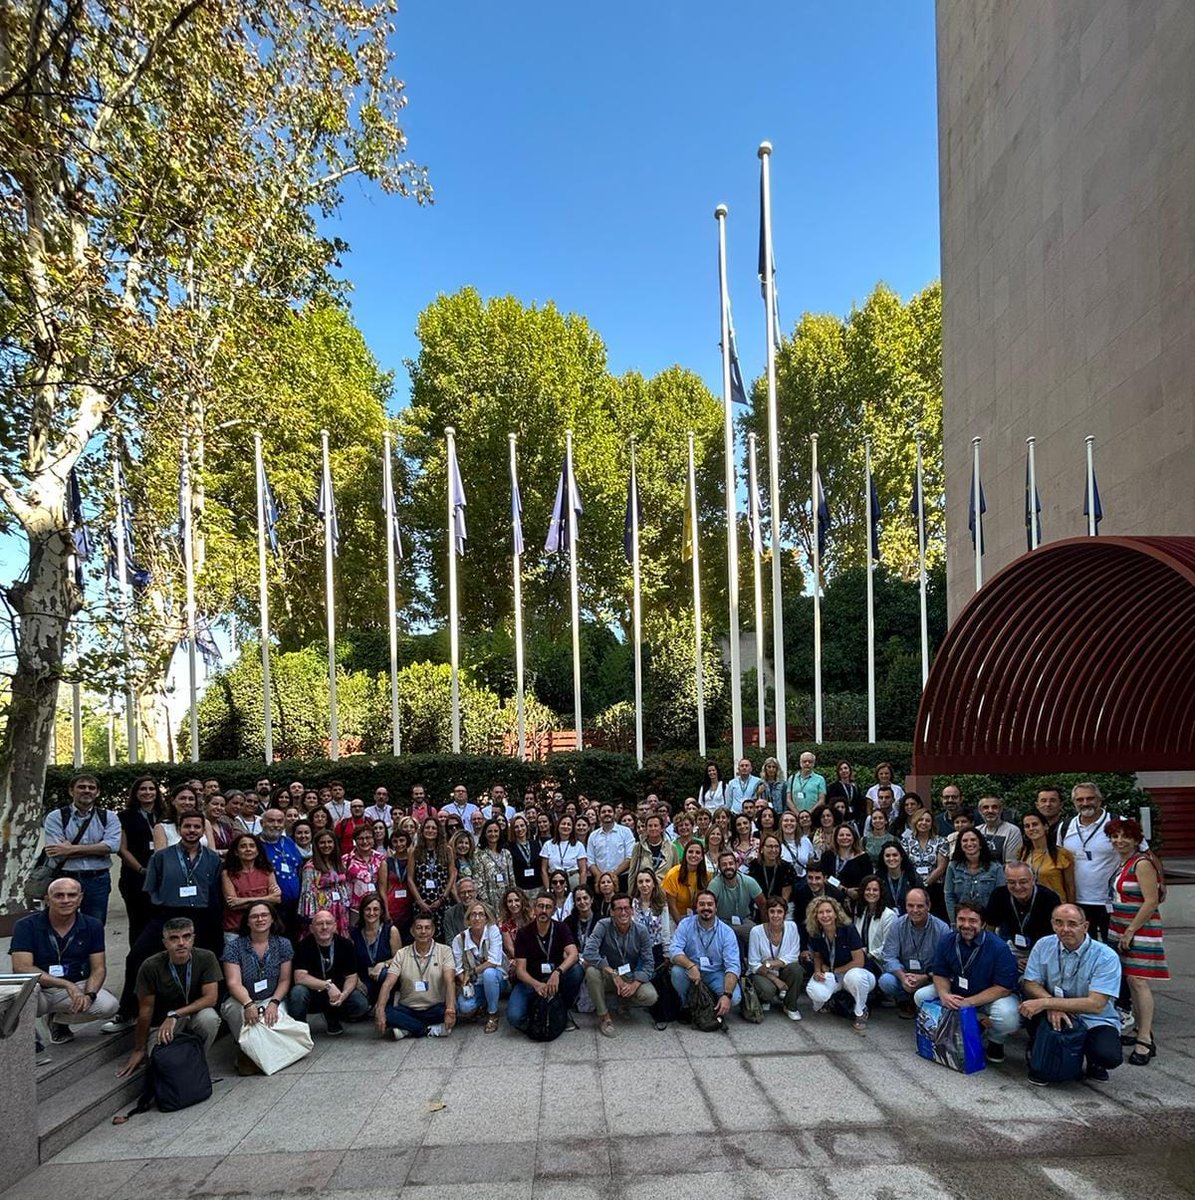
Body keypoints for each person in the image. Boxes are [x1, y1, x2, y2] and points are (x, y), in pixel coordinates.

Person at [1021, 904, 1123, 1084]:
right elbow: (1031, 982)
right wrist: (1051, 1003)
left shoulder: (1106, 956)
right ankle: (1041, 1048)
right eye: (1059, 923)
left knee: (1108, 1056)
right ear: (1052, 924)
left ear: (1085, 926)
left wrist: (1048, 1003)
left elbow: (1096, 1004)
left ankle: (1093, 1061)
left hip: (1094, 1018)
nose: (1065, 929)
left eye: (1072, 924)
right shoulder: (1043, 945)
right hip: (1053, 1013)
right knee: (1028, 1008)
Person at [10, 877, 119, 1045]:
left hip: (74, 986)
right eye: (59, 895)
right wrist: (66, 985)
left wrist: (89, 995)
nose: (66, 900)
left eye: (71, 895)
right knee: (24, 993)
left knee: (109, 1006)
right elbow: (22, 968)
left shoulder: (93, 925)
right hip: (40, 989)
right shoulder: (26, 925)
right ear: (47, 899)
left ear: (80, 898)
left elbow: (98, 968)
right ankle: (27, 1040)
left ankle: (58, 1020)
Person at [914, 901, 1020, 1063]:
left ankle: (995, 1040)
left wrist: (969, 1002)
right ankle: (964, 1028)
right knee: (921, 996)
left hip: (989, 998)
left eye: (972, 921)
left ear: (983, 924)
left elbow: (1003, 988)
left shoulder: (998, 948)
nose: (966, 925)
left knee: (1008, 1016)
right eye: (961, 920)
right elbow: (939, 973)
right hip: (957, 993)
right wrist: (944, 994)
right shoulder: (947, 941)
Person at [115, 917, 221, 1078]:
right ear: (165, 942)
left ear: (193, 938)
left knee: (210, 1019)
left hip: (190, 1016)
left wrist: (175, 1014)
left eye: (186, 936)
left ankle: (198, 1063)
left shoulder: (206, 957)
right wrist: (139, 1049)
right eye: (174, 938)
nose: (181, 943)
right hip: (160, 1024)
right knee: (164, 1062)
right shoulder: (151, 966)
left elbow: (211, 998)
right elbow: (145, 1011)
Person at [1107, 817, 1167, 1065]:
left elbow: (1151, 901)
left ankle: (1145, 1039)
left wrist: (1131, 930)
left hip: (1138, 929)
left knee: (1139, 981)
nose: (1119, 841)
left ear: (1136, 838)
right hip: (1120, 926)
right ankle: (1139, 1029)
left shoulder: (1142, 863)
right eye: (1115, 836)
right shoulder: (1124, 862)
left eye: (1125, 836)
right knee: (1130, 980)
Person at [41, 773, 122, 923]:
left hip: (97, 880)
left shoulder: (109, 817)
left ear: (97, 792)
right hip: (64, 877)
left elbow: (112, 846)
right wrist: (97, 848)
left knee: (95, 925)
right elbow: (56, 852)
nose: (87, 791)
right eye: (81, 787)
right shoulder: (56, 817)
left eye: (91, 788)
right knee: (61, 923)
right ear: (71, 791)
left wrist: (70, 849)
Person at [219, 903, 294, 1052]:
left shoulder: (283, 944)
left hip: (272, 997)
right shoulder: (234, 947)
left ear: (272, 919)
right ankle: (245, 1050)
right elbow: (233, 983)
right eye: (254, 916)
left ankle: (264, 1052)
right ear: (247, 922)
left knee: (274, 1023)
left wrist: (273, 1003)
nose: (260, 919)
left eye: (264, 915)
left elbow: (285, 980)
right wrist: (248, 1004)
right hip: (241, 1000)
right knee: (240, 1016)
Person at [583, 894, 659, 1035]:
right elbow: (588, 952)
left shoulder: (641, 931)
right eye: (618, 909)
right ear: (612, 912)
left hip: (630, 975)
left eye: (626, 908)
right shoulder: (603, 925)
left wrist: (635, 984)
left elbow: (649, 963)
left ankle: (625, 1001)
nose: (623, 913)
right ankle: (604, 1017)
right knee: (591, 972)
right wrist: (612, 972)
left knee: (650, 996)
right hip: (608, 974)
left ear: (632, 910)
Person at [507, 892, 584, 1033]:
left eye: (548, 907)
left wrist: (557, 972)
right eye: (540, 906)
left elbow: (573, 954)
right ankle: (539, 1015)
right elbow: (520, 970)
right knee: (514, 1018)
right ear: (534, 909)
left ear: (553, 910)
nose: (543, 911)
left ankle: (562, 1010)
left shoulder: (561, 928)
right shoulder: (523, 933)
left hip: (555, 980)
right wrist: (536, 985)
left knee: (577, 971)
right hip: (531, 981)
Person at [373, 913, 457, 1039]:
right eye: (419, 927)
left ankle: (407, 1030)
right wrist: (379, 1011)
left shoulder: (445, 951)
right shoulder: (402, 954)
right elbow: (388, 983)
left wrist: (450, 1009)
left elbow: (450, 981)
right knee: (384, 1011)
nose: (423, 931)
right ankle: (429, 1030)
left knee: (454, 1009)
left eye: (427, 928)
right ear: (412, 931)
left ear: (433, 931)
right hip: (408, 1009)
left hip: (434, 1008)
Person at [290, 909, 370, 1034]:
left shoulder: (346, 945)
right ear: (311, 928)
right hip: (313, 993)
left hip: (337, 992)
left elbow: (352, 977)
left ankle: (334, 1018)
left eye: (328, 923)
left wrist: (344, 994)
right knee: (297, 992)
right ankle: (299, 1029)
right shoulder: (303, 946)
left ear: (335, 926)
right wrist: (327, 986)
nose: (324, 927)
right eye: (319, 924)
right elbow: (299, 977)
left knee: (360, 1003)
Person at [1060, 782, 1120, 941]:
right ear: (1074, 803)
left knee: (1114, 948)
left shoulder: (1118, 823)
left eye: (1090, 798)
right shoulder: (1065, 827)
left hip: (1110, 901)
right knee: (1084, 948)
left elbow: (1143, 853)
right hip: (1078, 902)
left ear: (1099, 800)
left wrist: (1160, 883)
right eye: (1080, 800)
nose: (1085, 803)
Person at [805, 897, 874, 1032]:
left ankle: (861, 1012)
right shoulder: (815, 932)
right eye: (820, 912)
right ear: (815, 915)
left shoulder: (848, 929)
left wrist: (833, 969)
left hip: (857, 973)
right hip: (835, 974)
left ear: (836, 913)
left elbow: (859, 961)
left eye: (828, 911)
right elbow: (817, 955)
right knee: (814, 989)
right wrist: (818, 970)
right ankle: (828, 1001)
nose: (825, 916)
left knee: (854, 977)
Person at [669, 889, 741, 1017]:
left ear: (716, 907)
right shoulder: (685, 924)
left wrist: (727, 995)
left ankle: (712, 1001)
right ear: (696, 907)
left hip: (715, 972)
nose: (706, 908)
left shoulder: (727, 932)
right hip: (692, 970)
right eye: (702, 904)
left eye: (709, 904)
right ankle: (686, 1005)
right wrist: (690, 965)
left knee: (734, 998)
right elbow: (674, 950)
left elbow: (733, 966)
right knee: (676, 972)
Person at [877, 888, 950, 1015]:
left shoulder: (942, 929)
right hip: (905, 975)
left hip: (930, 978)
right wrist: (902, 976)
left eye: (920, 906)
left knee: (926, 992)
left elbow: (945, 963)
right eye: (910, 905)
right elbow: (889, 956)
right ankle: (905, 1001)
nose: (915, 910)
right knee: (886, 981)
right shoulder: (897, 925)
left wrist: (925, 977)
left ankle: (927, 1007)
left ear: (929, 906)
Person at [985, 862, 1059, 972]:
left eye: (1023, 882)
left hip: (1043, 949)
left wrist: (1033, 959)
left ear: (1033, 879)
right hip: (1011, 945)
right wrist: (1008, 958)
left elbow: (1055, 939)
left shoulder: (1049, 899)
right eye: (1011, 882)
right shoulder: (999, 895)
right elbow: (990, 931)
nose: (1018, 887)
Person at [116, 776, 163, 944]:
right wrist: (142, 870)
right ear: (135, 793)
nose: (147, 792)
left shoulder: (164, 815)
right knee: (139, 924)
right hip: (135, 877)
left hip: (163, 878)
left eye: (151, 789)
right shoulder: (124, 816)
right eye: (143, 789)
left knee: (161, 923)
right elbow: (122, 849)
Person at [451, 901, 506, 1032]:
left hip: (497, 979)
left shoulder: (493, 931)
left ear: (486, 918)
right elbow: (457, 967)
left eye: (481, 914)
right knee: (464, 1007)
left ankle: (492, 1014)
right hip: (476, 983)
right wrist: (464, 983)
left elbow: (493, 961)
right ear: (468, 918)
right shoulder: (460, 939)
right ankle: (484, 1001)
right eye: (473, 915)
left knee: (489, 974)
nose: (477, 918)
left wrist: (471, 972)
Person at [747, 895, 803, 1020]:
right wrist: (776, 980)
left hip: (780, 969)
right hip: (762, 973)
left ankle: (790, 1006)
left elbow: (794, 956)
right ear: (767, 913)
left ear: (785, 913)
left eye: (779, 911)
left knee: (796, 969)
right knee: (768, 990)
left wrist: (771, 963)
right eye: (772, 911)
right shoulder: (756, 932)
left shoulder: (792, 927)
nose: (776, 915)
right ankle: (764, 999)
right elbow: (753, 964)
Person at [221, 834, 281, 943]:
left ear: (257, 851)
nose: (248, 849)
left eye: (252, 846)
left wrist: (241, 901)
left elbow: (276, 900)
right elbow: (232, 905)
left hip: (263, 929)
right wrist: (267, 898)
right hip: (235, 930)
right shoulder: (227, 874)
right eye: (243, 846)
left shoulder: (267, 871)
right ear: (236, 852)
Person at [408, 817, 456, 940]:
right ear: (422, 830)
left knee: (442, 936)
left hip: (442, 902)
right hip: (421, 902)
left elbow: (452, 875)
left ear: (438, 831)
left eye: (434, 828)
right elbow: (410, 878)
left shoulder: (447, 850)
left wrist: (443, 898)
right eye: (427, 827)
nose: (431, 830)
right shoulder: (415, 851)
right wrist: (420, 902)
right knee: (423, 935)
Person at [258, 807, 304, 935]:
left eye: (279, 821)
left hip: (294, 906)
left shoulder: (288, 842)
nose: (276, 825)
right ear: (262, 823)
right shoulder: (255, 844)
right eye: (271, 821)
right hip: (271, 906)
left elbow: (298, 866)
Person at [352, 891, 401, 1008]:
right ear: (362, 911)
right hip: (364, 980)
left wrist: (383, 964)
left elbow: (399, 958)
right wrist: (356, 980)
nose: (371, 913)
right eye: (368, 909)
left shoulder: (391, 931)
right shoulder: (354, 934)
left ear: (382, 911)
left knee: (386, 973)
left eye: (375, 909)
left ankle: (385, 1008)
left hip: (385, 977)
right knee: (357, 1003)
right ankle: (369, 1007)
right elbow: (350, 963)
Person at [944, 830, 1006, 922]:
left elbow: (1001, 897)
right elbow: (949, 896)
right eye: (965, 841)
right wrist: (954, 921)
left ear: (980, 844)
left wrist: (992, 923)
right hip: (962, 921)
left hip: (988, 922)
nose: (969, 843)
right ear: (960, 845)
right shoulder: (952, 867)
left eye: (973, 840)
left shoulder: (996, 867)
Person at [298, 830, 350, 937]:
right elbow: (307, 897)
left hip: (340, 911)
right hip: (322, 914)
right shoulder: (310, 868)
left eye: (329, 842)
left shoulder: (338, 864)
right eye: (322, 842)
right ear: (316, 845)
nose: (326, 845)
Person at [708, 850, 762, 951]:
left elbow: (762, 905)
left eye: (731, 863)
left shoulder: (749, 881)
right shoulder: (714, 884)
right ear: (719, 868)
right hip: (721, 922)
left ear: (737, 865)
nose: (728, 867)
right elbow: (708, 907)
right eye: (724, 864)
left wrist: (765, 929)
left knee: (757, 934)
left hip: (743, 921)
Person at [1019, 811, 1075, 903]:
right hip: (1031, 905)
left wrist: (1071, 908)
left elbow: (1070, 886)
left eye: (1035, 824)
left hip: (1056, 905)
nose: (1031, 828)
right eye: (1027, 826)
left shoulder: (1062, 854)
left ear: (1045, 826)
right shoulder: (1022, 853)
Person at [852, 876, 895, 976]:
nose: (871, 893)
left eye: (875, 890)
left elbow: (887, 946)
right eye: (868, 889)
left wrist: (868, 955)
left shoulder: (889, 915)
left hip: (877, 962)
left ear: (881, 893)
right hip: (859, 958)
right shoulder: (859, 911)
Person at [630, 868, 673, 966]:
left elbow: (665, 930)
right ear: (636, 885)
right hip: (638, 949)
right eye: (640, 882)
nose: (644, 885)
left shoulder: (662, 904)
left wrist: (666, 953)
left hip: (656, 949)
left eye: (647, 881)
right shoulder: (632, 904)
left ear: (654, 884)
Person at [342, 823, 385, 923]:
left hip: (375, 909)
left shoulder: (381, 858)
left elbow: (383, 886)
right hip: (354, 909)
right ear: (355, 840)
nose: (365, 841)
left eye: (368, 838)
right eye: (360, 838)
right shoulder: (346, 860)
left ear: (373, 839)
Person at [819, 824, 872, 903]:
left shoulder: (863, 858)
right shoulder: (827, 856)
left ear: (854, 837)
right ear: (836, 838)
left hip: (855, 900)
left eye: (848, 835)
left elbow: (868, 880)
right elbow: (825, 878)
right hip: (830, 899)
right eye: (841, 835)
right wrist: (845, 890)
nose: (845, 837)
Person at [662, 840, 710, 926]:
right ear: (685, 854)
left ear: (702, 856)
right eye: (690, 852)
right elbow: (672, 907)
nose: (694, 855)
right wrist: (683, 927)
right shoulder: (673, 874)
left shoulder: (707, 875)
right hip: (675, 917)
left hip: (696, 915)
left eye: (698, 853)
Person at [748, 833, 796, 918]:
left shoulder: (786, 868)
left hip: (781, 907)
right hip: (759, 906)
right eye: (770, 846)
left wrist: (777, 912)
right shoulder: (754, 867)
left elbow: (785, 897)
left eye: (776, 846)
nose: (773, 850)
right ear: (762, 849)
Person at [472, 819, 515, 913]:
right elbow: (478, 881)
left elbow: (511, 878)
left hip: (506, 900)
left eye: (496, 831)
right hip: (489, 901)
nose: (493, 834)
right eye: (490, 831)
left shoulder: (506, 853)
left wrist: (512, 898)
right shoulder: (479, 854)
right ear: (485, 834)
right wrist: (486, 903)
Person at [903, 809, 950, 894]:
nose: (924, 823)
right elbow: (904, 865)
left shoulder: (941, 841)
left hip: (935, 887)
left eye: (927, 821)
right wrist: (916, 884)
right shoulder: (906, 841)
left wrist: (925, 884)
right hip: (911, 886)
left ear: (932, 824)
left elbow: (941, 868)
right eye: (920, 820)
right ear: (915, 822)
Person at [377, 828, 413, 934]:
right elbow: (382, 889)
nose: (398, 844)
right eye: (395, 841)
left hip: (410, 907)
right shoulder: (386, 863)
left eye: (402, 840)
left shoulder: (413, 861)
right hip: (393, 907)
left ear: (407, 841)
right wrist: (386, 911)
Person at [627, 814, 681, 883]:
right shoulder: (638, 847)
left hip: (664, 889)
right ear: (646, 828)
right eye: (650, 826)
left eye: (656, 826)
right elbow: (632, 873)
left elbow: (676, 871)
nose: (653, 828)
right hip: (644, 888)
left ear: (662, 828)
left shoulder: (672, 848)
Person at [540, 813, 587, 890]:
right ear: (558, 826)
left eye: (569, 824)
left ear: (572, 828)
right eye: (563, 824)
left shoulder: (579, 845)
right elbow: (543, 870)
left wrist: (582, 889)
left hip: (572, 879)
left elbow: (583, 870)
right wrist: (548, 889)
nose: (566, 826)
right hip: (554, 881)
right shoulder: (548, 845)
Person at [152, 783, 201, 850]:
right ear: (173, 801)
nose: (187, 802)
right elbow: (160, 858)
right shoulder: (161, 827)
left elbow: (213, 853)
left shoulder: (205, 823)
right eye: (182, 798)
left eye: (191, 799)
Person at [977, 795, 1023, 864]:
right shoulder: (976, 831)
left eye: (994, 807)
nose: (990, 811)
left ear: (1001, 810)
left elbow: (1011, 863)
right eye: (985, 807)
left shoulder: (1012, 831)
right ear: (980, 811)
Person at [877, 842, 921, 914]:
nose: (891, 858)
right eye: (887, 856)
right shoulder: (878, 878)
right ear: (883, 858)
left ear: (901, 857)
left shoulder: (913, 877)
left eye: (895, 855)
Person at [506, 814, 542, 894]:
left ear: (526, 827)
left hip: (538, 887)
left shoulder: (536, 844)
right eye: (516, 827)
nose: (520, 829)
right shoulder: (509, 847)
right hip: (521, 889)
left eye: (522, 825)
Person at [826, 760, 866, 828]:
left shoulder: (855, 786)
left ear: (850, 770)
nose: (843, 771)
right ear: (838, 772)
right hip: (839, 819)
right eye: (841, 769)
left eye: (845, 768)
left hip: (854, 819)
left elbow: (860, 803)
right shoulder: (833, 787)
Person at [442, 877, 479, 944]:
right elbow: (450, 941)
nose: (466, 895)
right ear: (458, 895)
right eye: (462, 892)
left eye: (470, 891)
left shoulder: (488, 910)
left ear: (476, 893)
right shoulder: (450, 915)